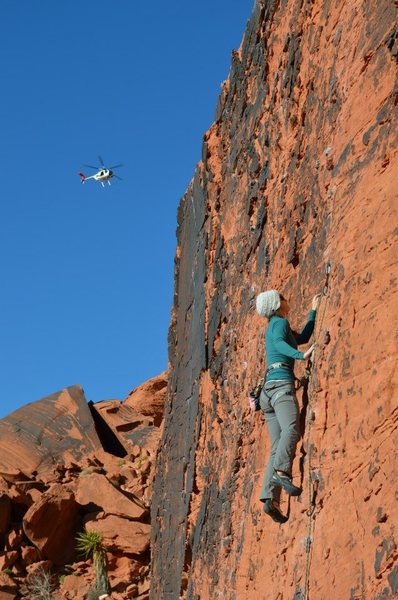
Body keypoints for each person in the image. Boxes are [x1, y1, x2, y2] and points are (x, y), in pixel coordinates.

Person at [255, 289, 321, 523]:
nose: (287, 298)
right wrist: (301, 357)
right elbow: (281, 345)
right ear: (276, 304)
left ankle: (269, 498)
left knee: (277, 445)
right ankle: (282, 473)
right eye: (283, 297)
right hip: (280, 385)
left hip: (267, 394)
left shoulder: (276, 325)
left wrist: (313, 311)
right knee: (292, 429)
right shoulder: (279, 323)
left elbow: (302, 337)